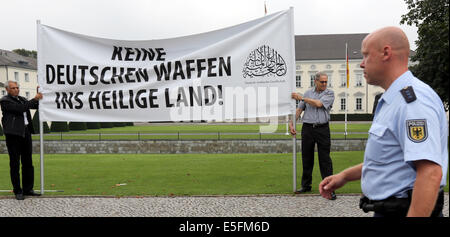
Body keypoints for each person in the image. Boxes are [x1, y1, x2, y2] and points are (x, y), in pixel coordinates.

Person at [319, 26, 448, 217]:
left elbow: (429, 173)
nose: (361, 64)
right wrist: (345, 176)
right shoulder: (393, 99)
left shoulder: (411, 102)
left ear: (386, 53)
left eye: (366, 55)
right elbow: (391, 161)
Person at [289, 72, 336, 200]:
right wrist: (292, 123)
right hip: (308, 129)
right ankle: (306, 185)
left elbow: (319, 104)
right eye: (322, 82)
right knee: (307, 158)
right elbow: (299, 109)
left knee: (325, 159)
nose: (325, 84)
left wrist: (301, 98)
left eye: (326, 82)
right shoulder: (307, 93)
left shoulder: (329, 93)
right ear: (315, 81)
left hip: (323, 129)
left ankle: (329, 188)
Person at [0, 81, 43, 200]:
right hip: (13, 135)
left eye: (17, 87)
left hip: (26, 133)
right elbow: (21, 109)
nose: (16, 90)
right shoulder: (5, 101)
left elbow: (34, 105)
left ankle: (28, 189)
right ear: (8, 90)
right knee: (15, 163)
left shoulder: (22, 99)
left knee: (28, 162)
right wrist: (35, 98)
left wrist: (38, 94)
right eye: (13, 88)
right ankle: (18, 191)